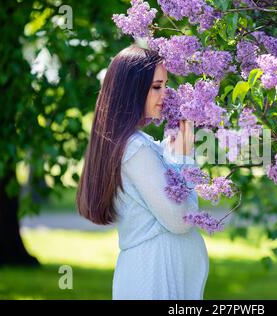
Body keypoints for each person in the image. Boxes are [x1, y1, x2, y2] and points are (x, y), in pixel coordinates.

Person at [76, 44, 209, 300]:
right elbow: (180, 220)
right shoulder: (134, 148)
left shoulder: (137, 143)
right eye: (156, 86)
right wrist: (181, 157)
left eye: (166, 85)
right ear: (132, 90)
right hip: (154, 279)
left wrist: (174, 153)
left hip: (156, 276)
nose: (165, 94)